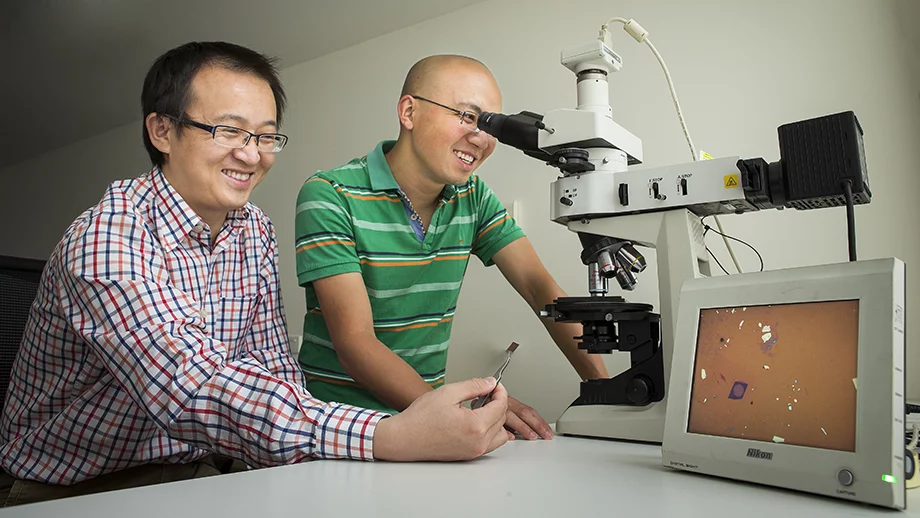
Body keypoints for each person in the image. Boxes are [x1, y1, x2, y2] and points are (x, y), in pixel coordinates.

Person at [0, 42, 509, 508]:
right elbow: (192, 387)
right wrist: (388, 435)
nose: (251, 154)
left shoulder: (252, 228)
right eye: (227, 130)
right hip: (70, 487)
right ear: (162, 131)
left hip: (201, 466)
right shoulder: (105, 238)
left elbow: (271, 364)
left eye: (265, 136)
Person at [294, 55, 610, 441]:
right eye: (467, 116)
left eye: (492, 123)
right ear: (409, 111)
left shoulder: (472, 197)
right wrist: (452, 414)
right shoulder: (330, 195)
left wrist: (606, 393)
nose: (481, 137)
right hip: (337, 428)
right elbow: (356, 341)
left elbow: (538, 287)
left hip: (429, 421)